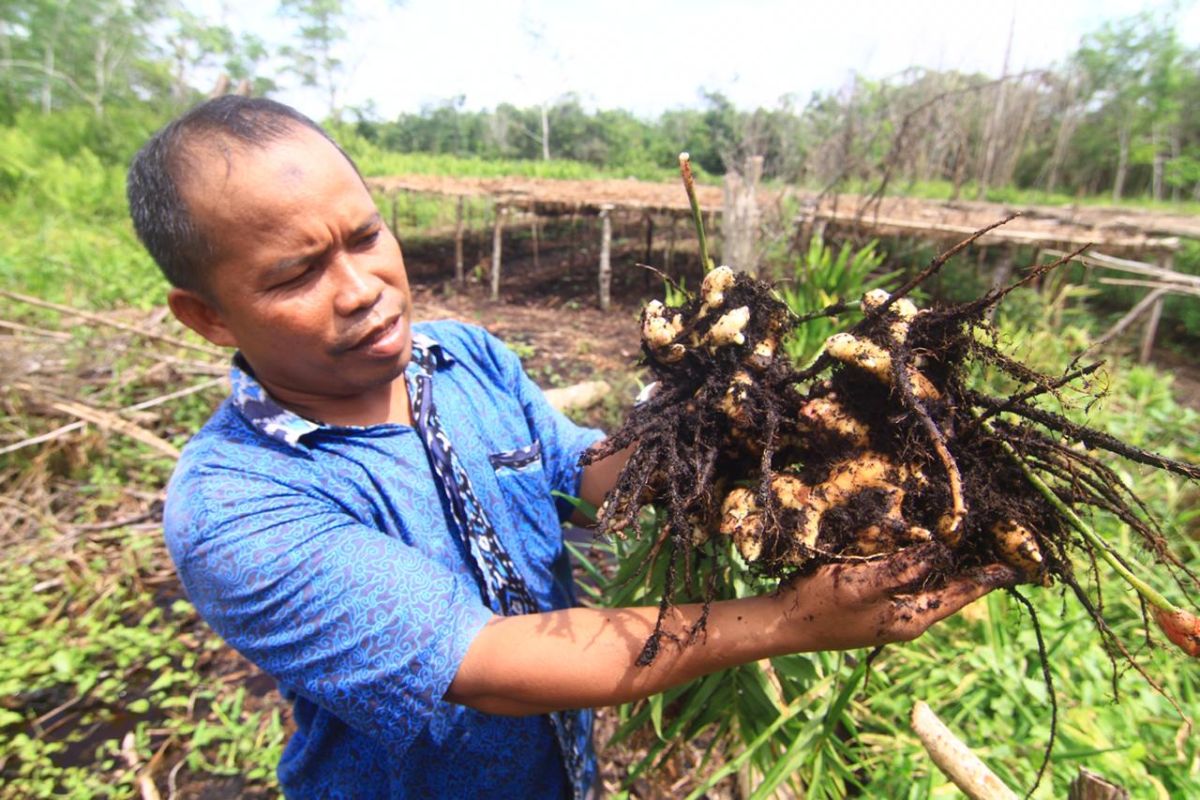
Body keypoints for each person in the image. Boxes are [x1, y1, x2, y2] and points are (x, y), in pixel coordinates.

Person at [126, 96, 1018, 799]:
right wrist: (791, 621)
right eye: (297, 273)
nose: (362, 289)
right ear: (205, 315)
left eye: (366, 237)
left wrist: (732, 433)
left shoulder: (461, 355)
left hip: (561, 772)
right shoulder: (238, 507)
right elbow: (498, 669)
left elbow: (587, 473)